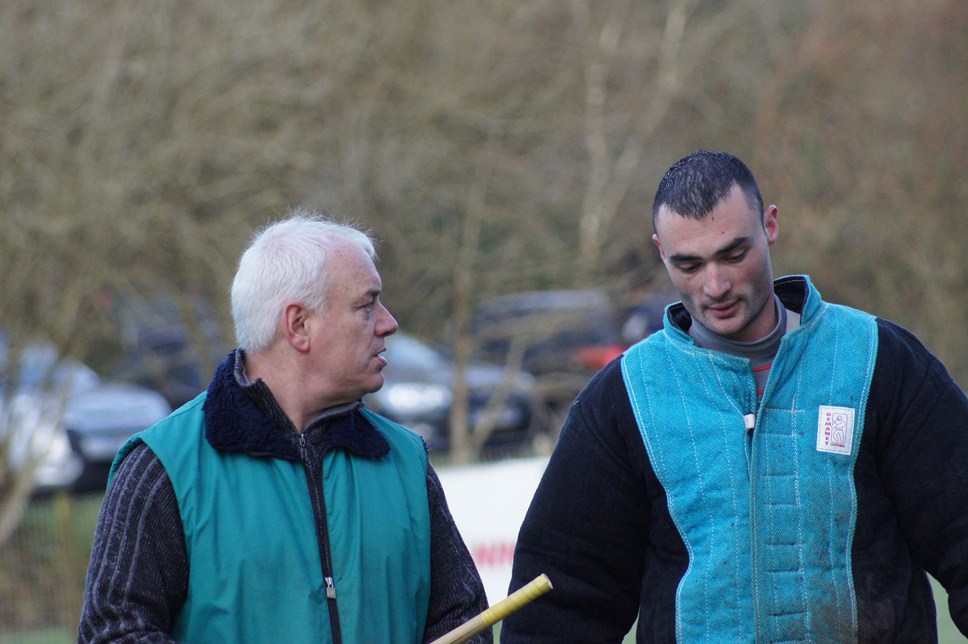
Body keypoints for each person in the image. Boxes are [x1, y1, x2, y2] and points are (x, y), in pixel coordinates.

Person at [502, 150, 968, 642]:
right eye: (689, 264)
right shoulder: (625, 397)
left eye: (732, 254)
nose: (715, 285)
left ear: (770, 226)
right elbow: (561, 600)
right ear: (660, 251)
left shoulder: (879, 360)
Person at [79, 212, 491, 643]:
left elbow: (464, 623)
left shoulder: (405, 461)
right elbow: (114, 632)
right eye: (366, 304)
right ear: (298, 326)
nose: (388, 323)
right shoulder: (164, 467)